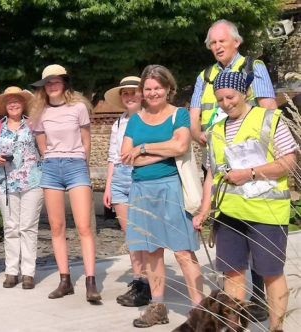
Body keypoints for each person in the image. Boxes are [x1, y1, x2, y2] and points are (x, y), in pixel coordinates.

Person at [192, 72, 296, 332]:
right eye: (220, 99)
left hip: (266, 212)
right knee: (232, 273)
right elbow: (211, 176)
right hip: (228, 213)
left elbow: (289, 163)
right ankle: (235, 327)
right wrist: (204, 211)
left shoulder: (269, 119)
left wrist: (249, 173)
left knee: (271, 273)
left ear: (246, 93)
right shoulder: (214, 130)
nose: (226, 103)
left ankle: (276, 328)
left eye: (230, 97)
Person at [189, 19, 277, 320]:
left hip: (251, 156)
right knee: (228, 221)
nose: (216, 47)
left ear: (236, 42)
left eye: (221, 42)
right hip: (218, 153)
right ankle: (236, 300)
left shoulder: (255, 68)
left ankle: (260, 294)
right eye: (212, 43)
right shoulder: (206, 74)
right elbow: (195, 110)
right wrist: (196, 132)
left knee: (255, 222)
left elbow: (268, 107)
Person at [121, 65, 203, 328]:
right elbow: (127, 158)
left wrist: (143, 148)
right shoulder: (135, 119)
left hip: (172, 188)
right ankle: (157, 307)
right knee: (152, 252)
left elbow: (181, 145)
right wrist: (165, 150)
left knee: (182, 252)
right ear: (143, 92)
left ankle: (200, 311)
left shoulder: (179, 114)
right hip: (142, 190)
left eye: (158, 87)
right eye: (148, 88)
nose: (153, 92)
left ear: (168, 88)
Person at [30, 64, 101, 303]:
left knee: (83, 227)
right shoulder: (40, 112)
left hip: (76, 165)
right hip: (51, 168)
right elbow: (42, 145)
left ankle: (91, 281)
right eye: (48, 83)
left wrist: (83, 166)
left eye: (56, 82)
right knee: (57, 227)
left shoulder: (78, 108)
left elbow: (86, 141)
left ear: (64, 83)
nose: (52, 86)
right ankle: (65, 280)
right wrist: (52, 158)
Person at [0, 87, 43, 290]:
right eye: (9, 101)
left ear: (23, 103)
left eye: (17, 100)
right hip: (6, 184)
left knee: (28, 228)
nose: (13, 104)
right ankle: (11, 271)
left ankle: (28, 272)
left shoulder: (33, 124)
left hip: (32, 182)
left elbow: (44, 149)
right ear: (4, 106)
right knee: (11, 228)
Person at [102, 76, 150, 307]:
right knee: (130, 234)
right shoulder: (118, 123)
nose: (129, 96)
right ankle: (138, 279)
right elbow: (113, 156)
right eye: (125, 93)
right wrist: (108, 186)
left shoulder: (149, 119)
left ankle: (148, 281)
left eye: (133, 92)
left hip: (140, 174)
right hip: (120, 176)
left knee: (144, 232)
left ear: (142, 94)